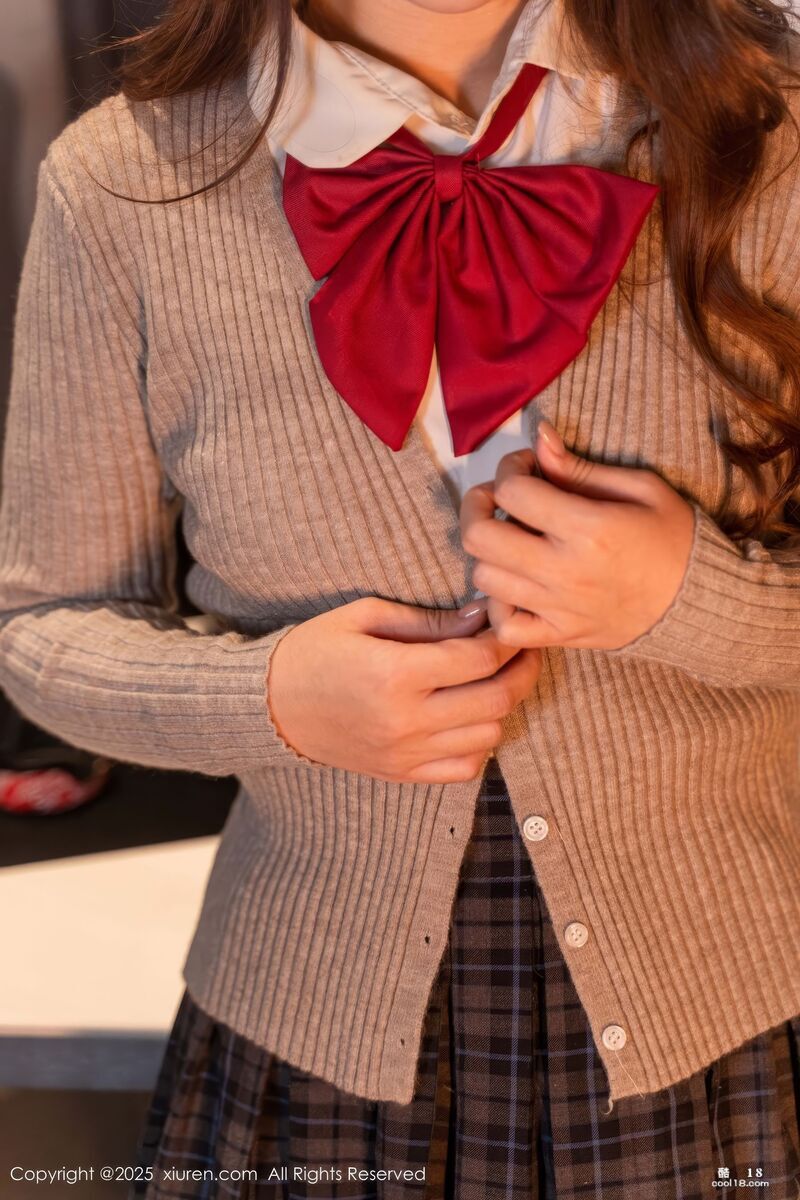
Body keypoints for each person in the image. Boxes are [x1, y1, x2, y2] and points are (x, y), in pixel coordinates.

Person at [1, 0, 799, 1194]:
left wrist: (687, 595)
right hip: (314, 1035)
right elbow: (39, 630)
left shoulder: (767, 139)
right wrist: (269, 698)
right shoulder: (120, 188)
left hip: (723, 1016)